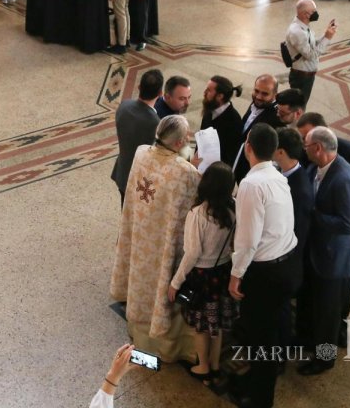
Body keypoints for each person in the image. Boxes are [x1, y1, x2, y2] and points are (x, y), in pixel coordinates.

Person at [109, 115, 201, 362]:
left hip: (140, 238)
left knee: (140, 284)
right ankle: (164, 348)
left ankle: (137, 331)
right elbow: (194, 205)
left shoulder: (140, 153)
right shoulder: (185, 172)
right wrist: (195, 166)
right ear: (181, 141)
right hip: (163, 247)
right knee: (162, 288)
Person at [227, 125, 300, 408]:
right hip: (287, 261)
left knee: (261, 339)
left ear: (248, 147)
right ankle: (256, 380)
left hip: (266, 273)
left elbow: (247, 239)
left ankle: (261, 399)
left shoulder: (251, 184)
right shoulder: (278, 176)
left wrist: (236, 276)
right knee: (267, 332)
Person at [297, 126, 350, 377]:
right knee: (312, 303)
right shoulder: (315, 168)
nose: (304, 150)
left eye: (306, 146)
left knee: (328, 314)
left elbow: (348, 224)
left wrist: (314, 215)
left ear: (318, 149)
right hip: (316, 252)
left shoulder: (345, 180)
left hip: (335, 259)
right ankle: (305, 341)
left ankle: (325, 359)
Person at [168, 163, 238, 388]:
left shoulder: (198, 214)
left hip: (202, 277)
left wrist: (175, 282)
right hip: (224, 272)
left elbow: (192, 254)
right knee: (216, 326)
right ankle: (216, 364)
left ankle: (203, 367)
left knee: (201, 327)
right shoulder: (233, 211)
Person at [112, 69, 163, 203]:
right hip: (140, 181)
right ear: (160, 93)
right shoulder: (155, 122)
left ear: (139, 87)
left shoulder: (124, 106)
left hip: (122, 171)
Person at [283, 0, 337, 105]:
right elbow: (311, 55)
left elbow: (311, 44)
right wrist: (327, 38)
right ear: (305, 14)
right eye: (313, 11)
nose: (316, 13)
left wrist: (326, 34)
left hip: (306, 74)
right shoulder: (297, 32)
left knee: (299, 104)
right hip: (302, 77)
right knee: (299, 106)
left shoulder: (303, 25)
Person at [233, 74, 284, 183]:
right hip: (239, 165)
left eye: (265, 94)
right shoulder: (257, 103)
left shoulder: (276, 119)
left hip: (251, 173)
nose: (259, 96)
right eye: (256, 91)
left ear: (275, 95)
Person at [200, 76, 243, 165]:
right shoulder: (209, 109)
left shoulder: (234, 121)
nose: (204, 93)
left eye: (209, 90)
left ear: (220, 96)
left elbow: (229, 156)